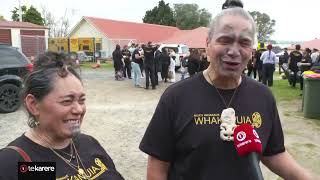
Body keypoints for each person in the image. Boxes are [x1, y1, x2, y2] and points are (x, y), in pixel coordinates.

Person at [139, 7, 313, 180]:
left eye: (244, 43)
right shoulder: (176, 97)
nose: (234, 51)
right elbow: (157, 168)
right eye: (225, 40)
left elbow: (273, 153)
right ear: (208, 44)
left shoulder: (263, 96)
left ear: (251, 50)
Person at [0, 52, 124, 180]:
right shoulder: (15, 164)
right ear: (34, 105)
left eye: (81, 100)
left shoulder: (89, 144)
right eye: (67, 101)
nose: (79, 109)